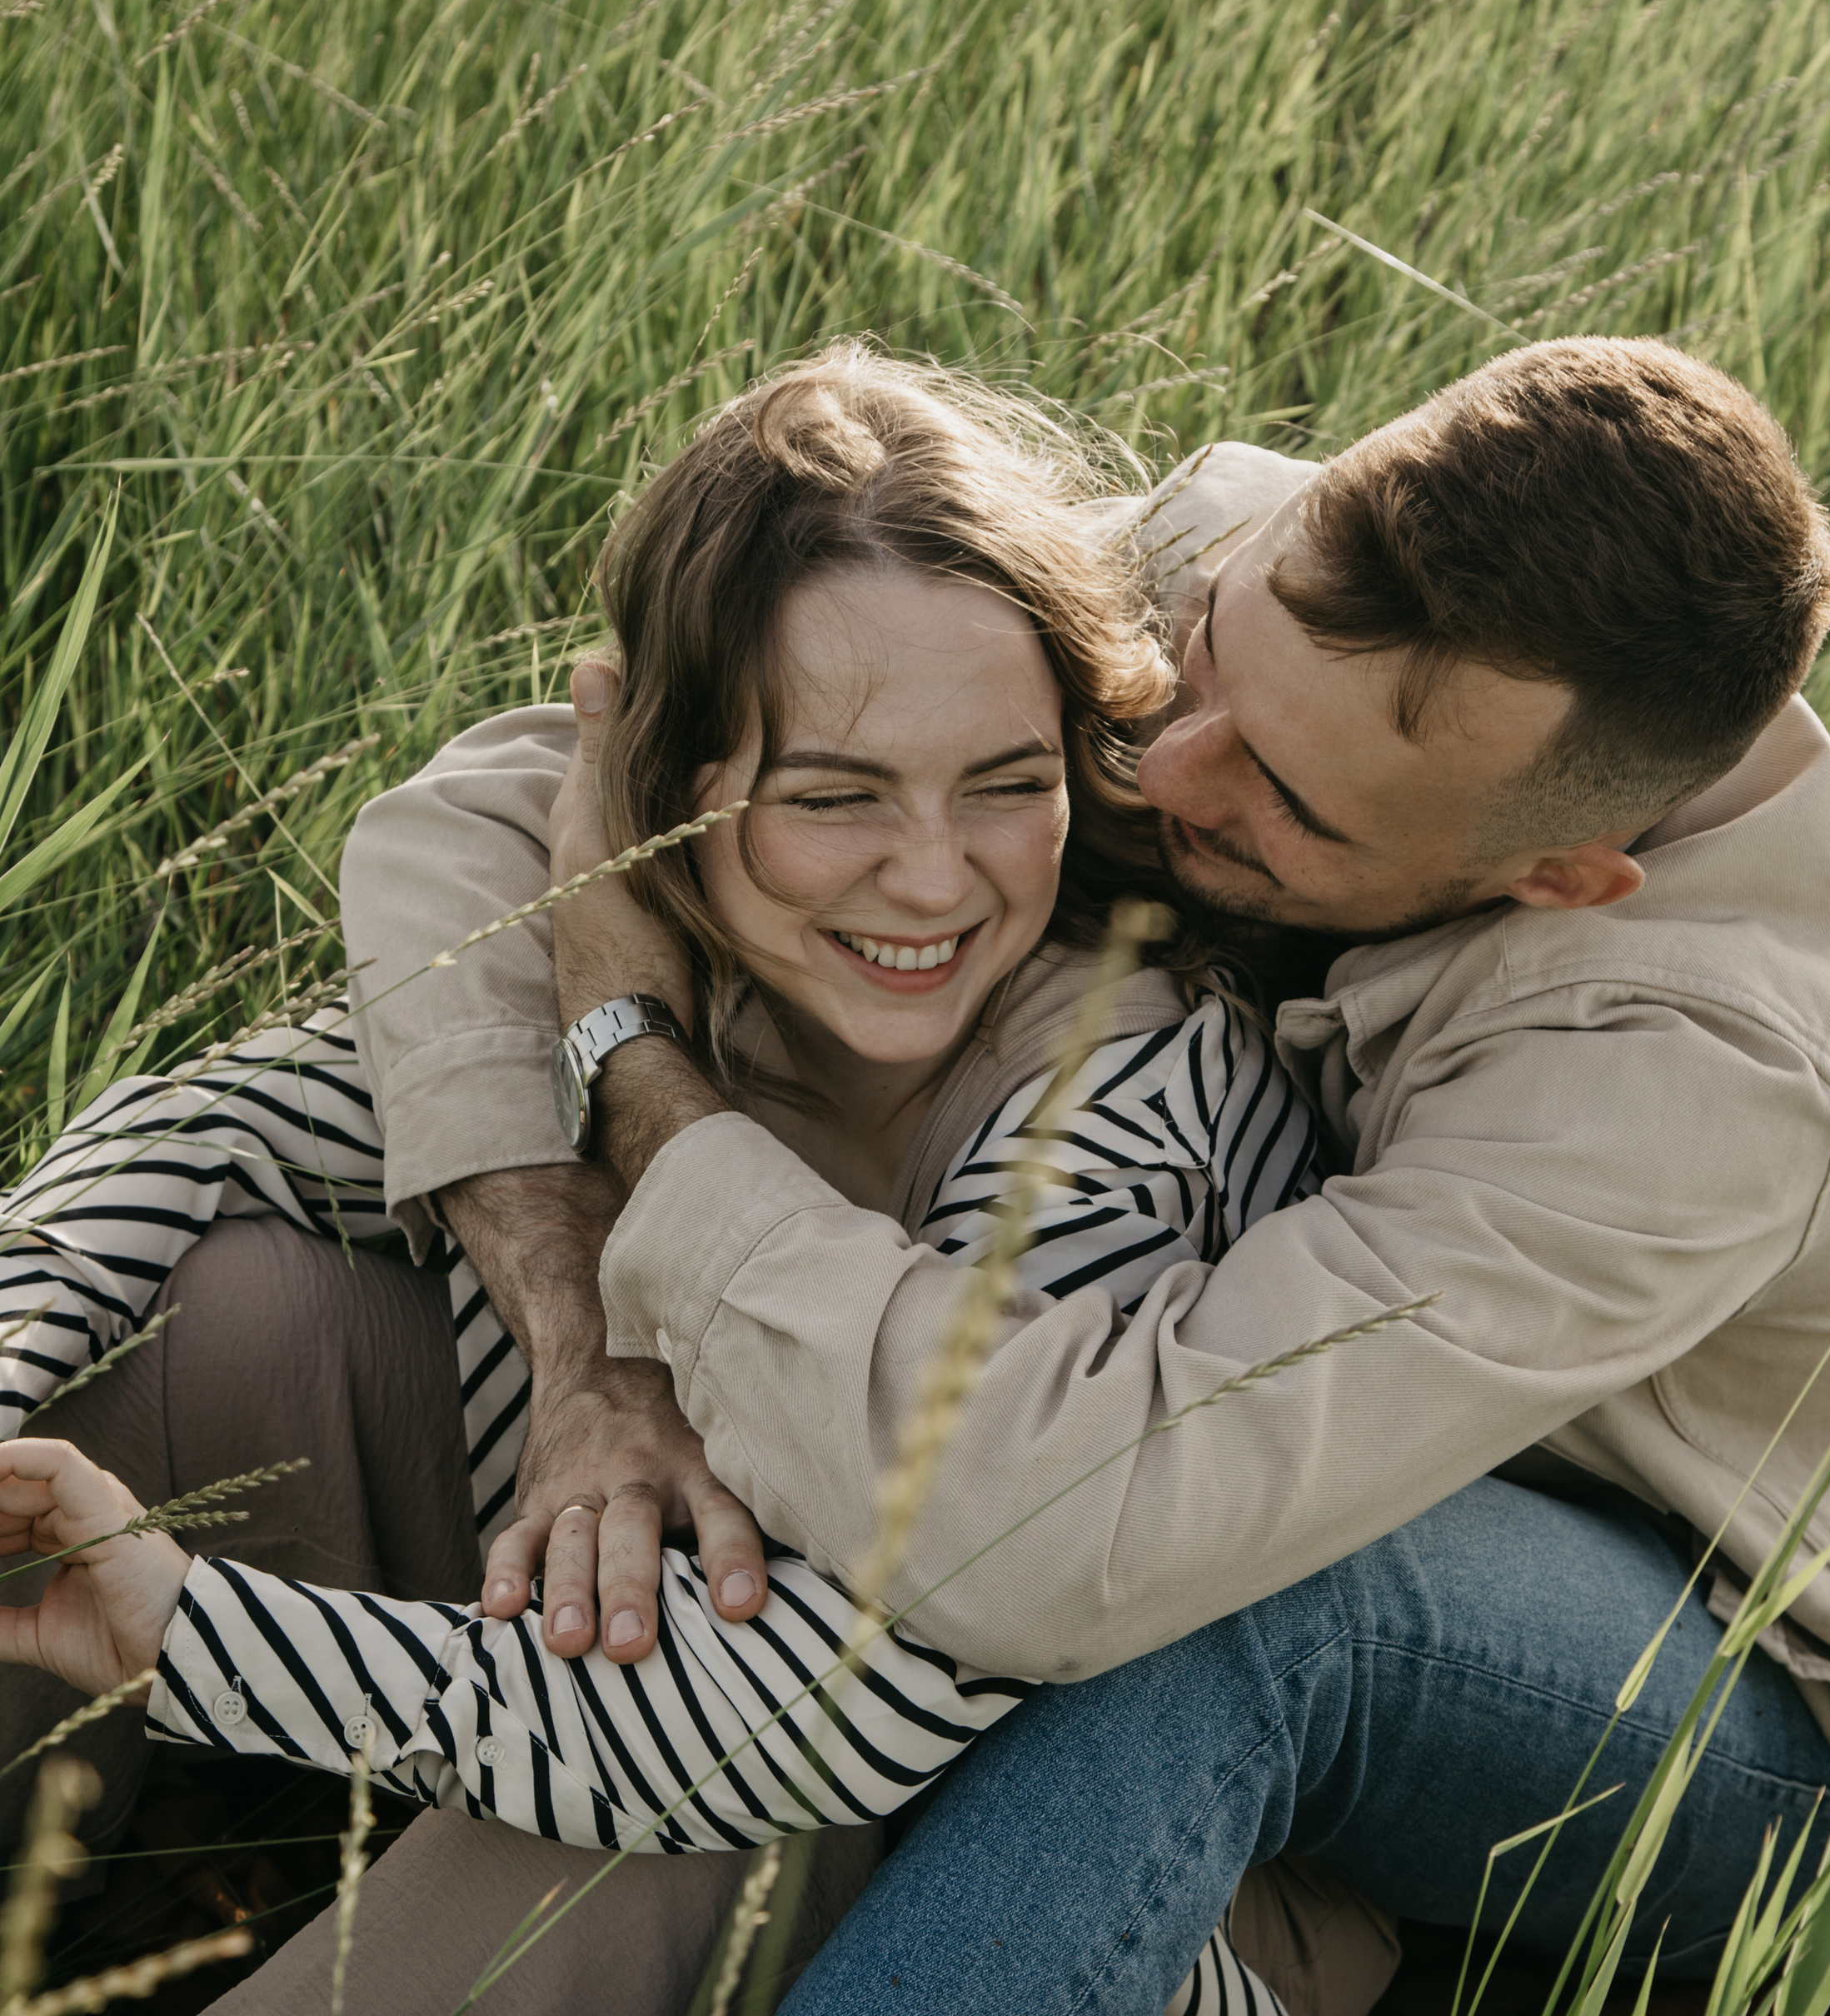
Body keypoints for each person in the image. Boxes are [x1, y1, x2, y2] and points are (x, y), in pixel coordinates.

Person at [312, 334, 1830, 2009]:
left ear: (1559, 876)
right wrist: (587, 1340)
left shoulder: (1711, 1068)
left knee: (1235, 1608)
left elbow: (1053, 1534)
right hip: (1232, 1405)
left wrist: (631, 1057)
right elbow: (508, 813)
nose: (1161, 763)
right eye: (1206, 651)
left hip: (1719, 1694)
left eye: (1288, 803)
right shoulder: (1277, 586)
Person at [0, 347, 1339, 2015]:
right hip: (628, 1644)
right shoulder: (643, 933)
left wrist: (189, 1632)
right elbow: (220, 1127)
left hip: (962, 1826)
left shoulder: (1121, 1098)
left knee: (675, 1717)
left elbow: (800, 1709)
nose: (931, 875)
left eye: (1006, 785)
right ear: (671, 783)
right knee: (190, 1325)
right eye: (835, 794)